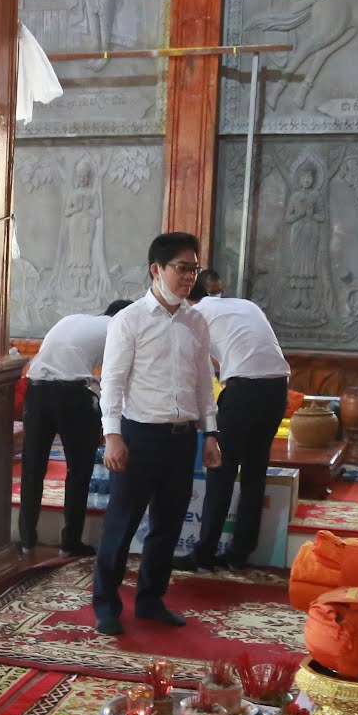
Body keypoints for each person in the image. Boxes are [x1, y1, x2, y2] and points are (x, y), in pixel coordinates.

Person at [92, 232, 221, 635]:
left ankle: (150, 600)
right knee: (122, 523)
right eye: (182, 268)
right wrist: (112, 435)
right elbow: (112, 382)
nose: (190, 277)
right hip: (138, 436)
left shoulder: (196, 321)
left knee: (168, 525)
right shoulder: (129, 320)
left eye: (194, 269)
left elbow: (204, 382)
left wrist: (211, 432)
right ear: (156, 269)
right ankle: (106, 606)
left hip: (182, 438)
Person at [188, 277, 291, 570]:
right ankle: (240, 553)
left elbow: (199, 374)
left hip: (244, 390)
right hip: (277, 389)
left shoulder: (193, 316)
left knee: (220, 468)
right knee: (255, 472)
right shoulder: (245, 305)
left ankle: (204, 554)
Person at [19, 299, 132, 554]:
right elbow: (117, 377)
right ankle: (70, 543)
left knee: (32, 468)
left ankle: (26, 541)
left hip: (36, 391)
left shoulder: (73, 319)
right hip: (70, 396)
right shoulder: (118, 327)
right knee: (78, 471)